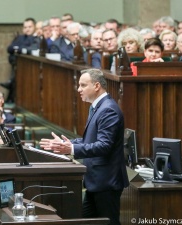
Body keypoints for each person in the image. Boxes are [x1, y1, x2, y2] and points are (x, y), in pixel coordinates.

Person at [39, 68, 129, 225]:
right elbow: (90, 140)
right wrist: (68, 144)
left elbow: (104, 146)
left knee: (109, 222)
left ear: (96, 86)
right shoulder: (96, 107)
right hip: (96, 181)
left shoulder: (108, 110)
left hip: (106, 181)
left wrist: (71, 150)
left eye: (82, 85)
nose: (78, 89)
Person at [0, 17, 40, 102]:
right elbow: (10, 48)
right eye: (25, 27)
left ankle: (10, 90)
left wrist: (19, 49)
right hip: (16, 63)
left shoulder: (36, 38)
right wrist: (20, 49)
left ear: (35, 27)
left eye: (30, 27)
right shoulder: (20, 38)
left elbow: (29, 50)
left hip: (30, 66)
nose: (27, 29)